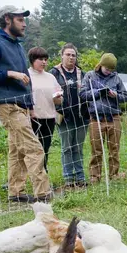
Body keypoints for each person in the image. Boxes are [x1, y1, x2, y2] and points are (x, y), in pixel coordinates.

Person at [0, 5, 52, 203]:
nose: (25, 24)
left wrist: (31, 106)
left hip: (22, 105)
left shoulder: (17, 45)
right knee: (34, 148)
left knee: (17, 151)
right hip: (7, 104)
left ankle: (15, 192)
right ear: (7, 19)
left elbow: (26, 79)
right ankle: (43, 194)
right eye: (20, 20)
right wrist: (10, 74)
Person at [79, 53, 127, 183]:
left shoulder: (116, 78)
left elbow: (126, 96)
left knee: (114, 149)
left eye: (111, 70)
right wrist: (98, 93)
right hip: (96, 118)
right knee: (96, 150)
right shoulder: (90, 76)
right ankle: (95, 177)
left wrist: (116, 96)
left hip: (114, 118)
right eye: (107, 69)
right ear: (101, 65)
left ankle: (114, 175)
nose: (109, 72)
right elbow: (82, 94)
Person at [50, 43, 90, 188]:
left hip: (81, 117)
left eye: (73, 55)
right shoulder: (54, 73)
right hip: (64, 118)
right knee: (66, 148)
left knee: (78, 148)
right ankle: (68, 178)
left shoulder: (82, 74)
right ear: (62, 56)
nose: (71, 57)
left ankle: (80, 177)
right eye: (68, 54)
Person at [27, 47, 62, 172]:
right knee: (30, 149)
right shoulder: (26, 75)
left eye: (45, 59)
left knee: (44, 148)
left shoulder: (50, 77)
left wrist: (58, 97)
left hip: (49, 118)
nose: (44, 62)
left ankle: (43, 173)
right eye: (40, 59)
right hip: (32, 118)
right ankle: (26, 175)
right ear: (32, 60)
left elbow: (59, 99)